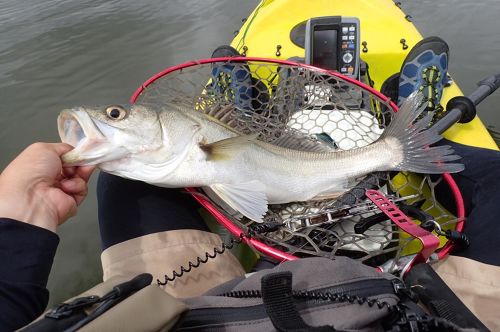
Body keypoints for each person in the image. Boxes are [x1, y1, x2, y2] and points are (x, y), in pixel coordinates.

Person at [1, 38, 500, 330]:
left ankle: (243, 106)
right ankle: (409, 120)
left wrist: (21, 222)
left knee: (120, 182)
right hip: (443, 316)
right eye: (115, 114)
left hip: (166, 307)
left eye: (116, 115)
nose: (110, 119)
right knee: (494, 174)